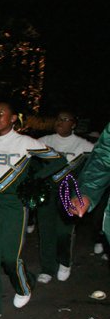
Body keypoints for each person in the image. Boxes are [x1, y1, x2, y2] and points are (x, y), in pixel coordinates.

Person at [0, 102, 66, 319]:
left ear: (13, 119)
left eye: (1, 114)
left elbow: (59, 160)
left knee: (10, 257)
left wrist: (34, 179)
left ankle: (24, 285)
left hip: (14, 205)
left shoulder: (25, 142)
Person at [35, 111, 93, 283]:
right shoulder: (44, 141)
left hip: (68, 193)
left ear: (74, 124)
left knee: (63, 231)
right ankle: (47, 268)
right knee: (46, 231)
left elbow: (97, 165)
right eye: (58, 119)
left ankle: (64, 261)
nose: (60, 122)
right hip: (47, 191)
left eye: (65, 120)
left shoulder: (83, 145)